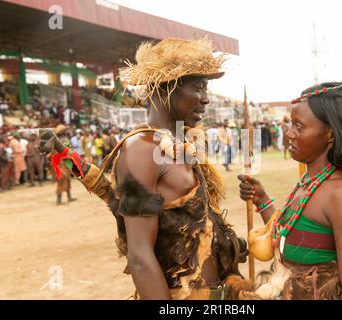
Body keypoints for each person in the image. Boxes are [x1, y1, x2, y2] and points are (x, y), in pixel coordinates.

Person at [39, 38, 248, 300]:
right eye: (198, 88)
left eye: (206, 89)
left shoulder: (182, 144)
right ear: (164, 90)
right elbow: (139, 256)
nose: (206, 99)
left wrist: (225, 245)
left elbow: (188, 219)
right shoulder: (142, 149)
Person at [238, 82, 342, 300]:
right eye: (290, 124)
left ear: (330, 134)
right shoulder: (309, 181)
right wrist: (263, 201)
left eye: (299, 125)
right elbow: (291, 238)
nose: (289, 133)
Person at [52, 125, 77, 205]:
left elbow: (69, 150)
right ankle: (58, 200)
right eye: (63, 131)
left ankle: (69, 197)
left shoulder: (65, 139)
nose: (65, 132)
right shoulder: (56, 141)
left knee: (68, 179)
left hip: (66, 162)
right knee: (61, 179)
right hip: (60, 163)